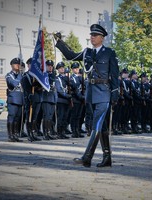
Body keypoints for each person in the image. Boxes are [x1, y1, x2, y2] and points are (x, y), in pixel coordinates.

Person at [54, 24, 119, 167]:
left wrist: (115, 95)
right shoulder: (87, 53)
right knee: (101, 127)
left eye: (95, 35)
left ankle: (87, 157)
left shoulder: (109, 53)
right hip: (91, 93)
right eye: (91, 35)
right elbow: (71, 56)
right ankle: (107, 158)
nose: (92, 37)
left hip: (104, 93)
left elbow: (115, 75)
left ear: (102, 38)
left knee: (96, 124)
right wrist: (60, 43)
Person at [5, 58, 24, 142]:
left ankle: (16, 135)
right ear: (12, 65)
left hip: (20, 99)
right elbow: (13, 83)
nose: (18, 65)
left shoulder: (21, 75)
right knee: (11, 117)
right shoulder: (9, 75)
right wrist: (20, 76)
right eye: (16, 64)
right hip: (13, 99)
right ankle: (10, 135)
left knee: (18, 118)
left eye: (19, 64)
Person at [41, 60, 58, 140]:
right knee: (46, 116)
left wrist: (56, 99)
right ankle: (45, 133)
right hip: (46, 98)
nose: (50, 67)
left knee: (50, 117)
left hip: (52, 98)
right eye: (48, 65)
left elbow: (55, 88)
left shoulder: (54, 75)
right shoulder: (44, 75)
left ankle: (49, 132)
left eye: (51, 65)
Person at [69, 62, 85, 138]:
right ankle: (74, 131)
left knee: (79, 116)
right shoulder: (72, 78)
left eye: (77, 68)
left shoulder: (80, 78)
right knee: (74, 116)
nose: (77, 69)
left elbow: (84, 88)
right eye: (75, 68)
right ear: (72, 69)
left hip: (81, 100)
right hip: (75, 99)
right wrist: (82, 97)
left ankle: (77, 130)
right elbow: (76, 89)